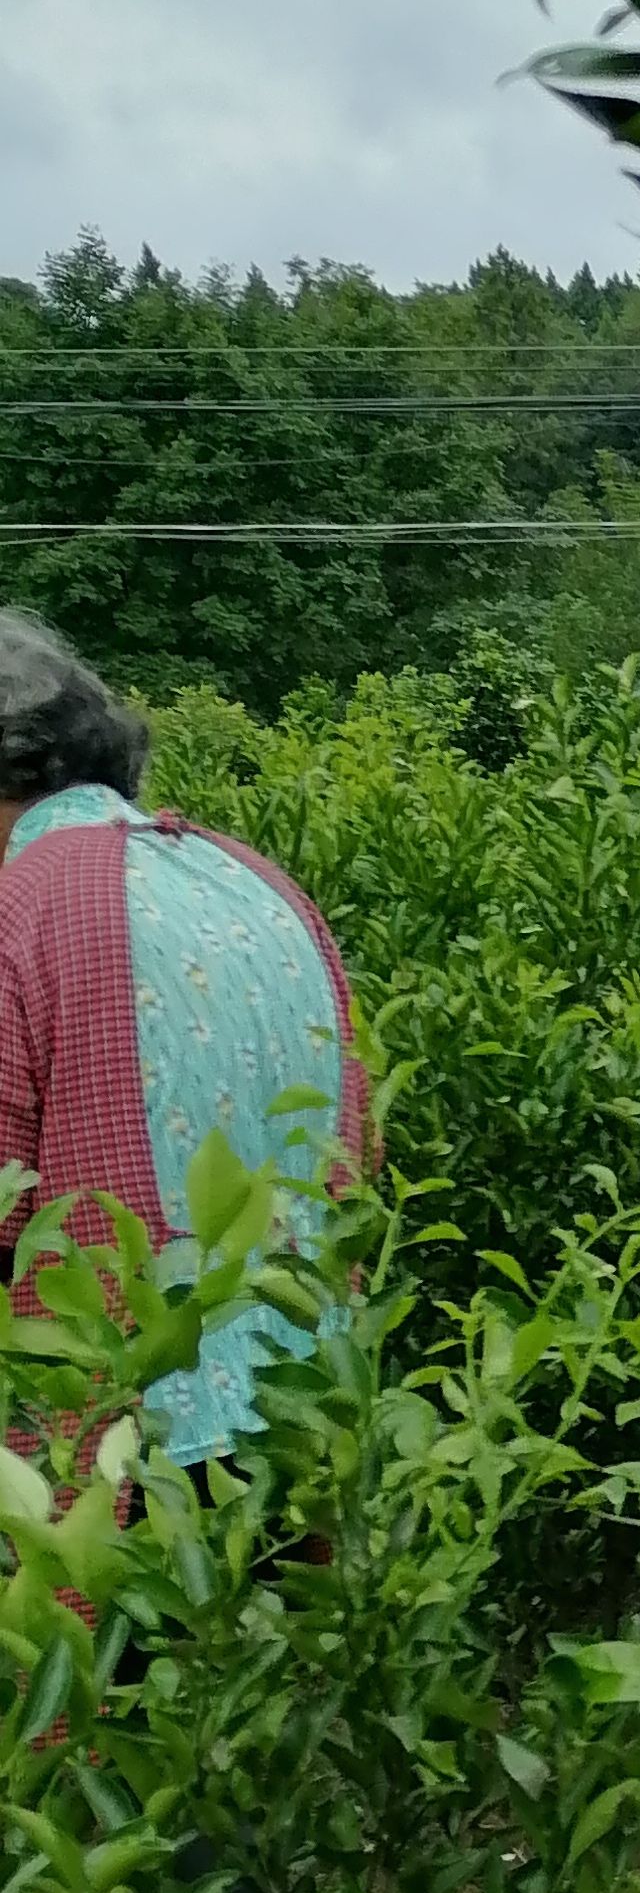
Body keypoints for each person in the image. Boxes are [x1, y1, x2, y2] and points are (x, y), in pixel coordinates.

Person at [0, 611, 367, 1458]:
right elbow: (352, 1154)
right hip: (294, 1424)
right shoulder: (254, 879)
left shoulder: (25, 907)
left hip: (110, 1440)